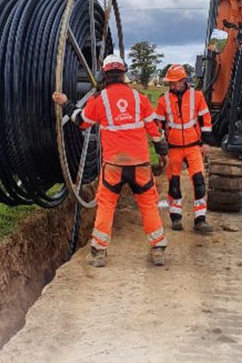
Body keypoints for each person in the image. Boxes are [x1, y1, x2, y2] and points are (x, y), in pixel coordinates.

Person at [53, 54, 169, 267]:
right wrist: (163, 153)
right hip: (140, 164)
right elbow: (155, 132)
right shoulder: (139, 98)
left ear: (104, 75)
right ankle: (158, 249)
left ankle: (98, 253)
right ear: (123, 74)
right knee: (148, 204)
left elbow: (82, 122)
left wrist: (66, 103)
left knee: (106, 204)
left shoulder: (100, 100)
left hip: (114, 165)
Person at [155, 64, 214, 233]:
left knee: (199, 182)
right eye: (170, 83)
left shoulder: (197, 97)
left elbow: (205, 120)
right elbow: (157, 125)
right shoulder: (163, 100)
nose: (172, 86)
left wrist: (207, 142)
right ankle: (175, 218)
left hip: (193, 146)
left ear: (183, 81)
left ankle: (200, 219)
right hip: (173, 148)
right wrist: (161, 148)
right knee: (174, 184)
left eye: (174, 82)